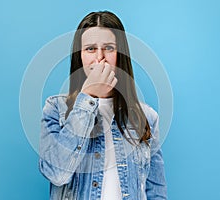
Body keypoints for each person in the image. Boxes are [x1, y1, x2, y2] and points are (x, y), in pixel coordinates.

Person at [39, 11, 167, 200]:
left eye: (109, 48)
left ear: (120, 55)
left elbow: (156, 191)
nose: (100, 57)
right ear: (80, 56)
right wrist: (88, 96)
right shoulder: (56, 109)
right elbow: (56, 174)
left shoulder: (146, 117)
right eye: (90, 48)